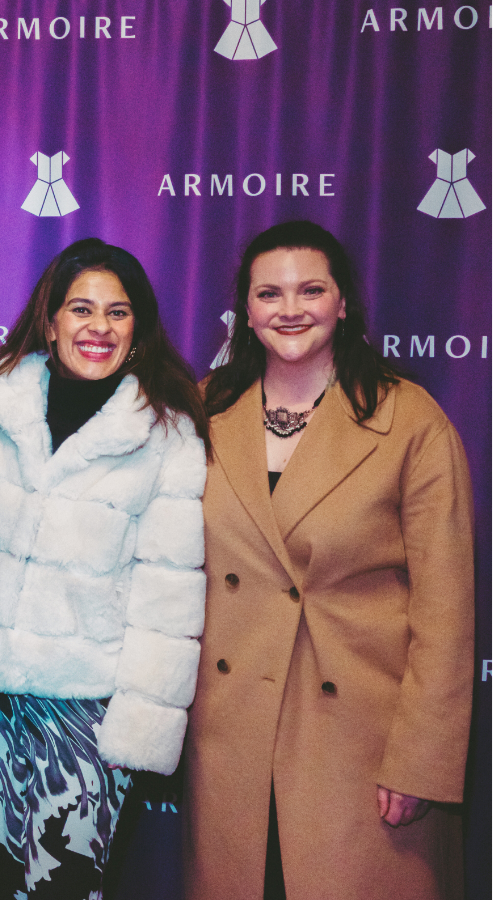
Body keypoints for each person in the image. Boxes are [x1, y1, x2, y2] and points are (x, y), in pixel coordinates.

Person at [185, 221, 474, 900]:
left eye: (311, 290)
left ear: (344, 303)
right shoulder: (201, 408)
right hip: (231, 736)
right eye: (270, 294)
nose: (291, 309)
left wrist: (422, 761)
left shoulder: (410, 420)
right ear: (246, 311)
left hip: (361, 743)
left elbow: (447, 609)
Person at [0, 238, 209, 898]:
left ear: (137, 327)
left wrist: (139, 731)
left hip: (82, 715)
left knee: (62, 888)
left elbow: (167, 596)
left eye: (118, 313)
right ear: (51, 318)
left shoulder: (167, 434)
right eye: (82, 309)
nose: (99, 328)